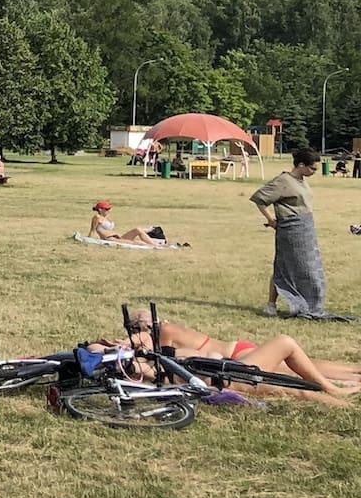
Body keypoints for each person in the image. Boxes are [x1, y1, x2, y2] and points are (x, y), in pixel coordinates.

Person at [122, 308, 357, 404]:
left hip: (234, 359)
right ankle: (348, 380)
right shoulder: (163, 336)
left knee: (296, 371)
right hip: (232, 361)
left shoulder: (161, 336)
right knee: (298, 371)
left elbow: (149, 351)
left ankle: (341, 384)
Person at [252, 147, 338, 318]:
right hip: (290, 230)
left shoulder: (301, 180)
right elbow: (260, 199)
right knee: (286, 268)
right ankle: (273, 305)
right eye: (312, 168)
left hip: (305, 229)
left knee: (307, 268)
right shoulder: (283, 180)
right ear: (300, 165)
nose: (314, 172)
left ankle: (307, 304)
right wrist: (271, 220)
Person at [87, 200, 180, 247]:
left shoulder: (106, 217)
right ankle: (157, 246)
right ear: (100, 209)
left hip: (118, 236)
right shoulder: (97, 218)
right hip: (110, 239)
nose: (109, 210)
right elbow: (92, 231)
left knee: (139, 237)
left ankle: (161, 244)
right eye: (106, 209)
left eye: (109, 209)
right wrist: (88, 241)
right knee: (138, 238)